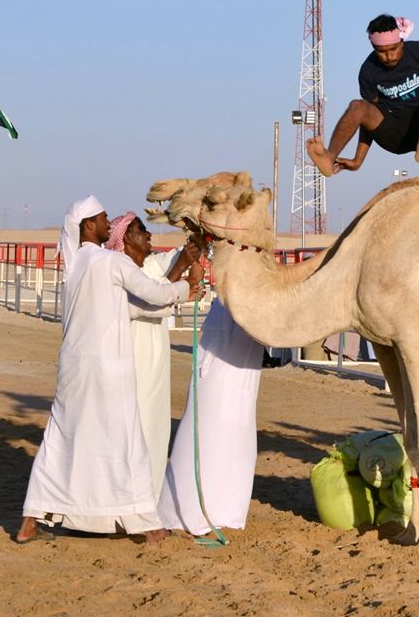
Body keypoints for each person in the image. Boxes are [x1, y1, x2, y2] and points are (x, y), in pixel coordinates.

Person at [17, 197, 200, 544]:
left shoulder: (75, 268)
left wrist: (177, 294)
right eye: (102, 218)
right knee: (128, 442)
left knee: (60, 441)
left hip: (73, 371)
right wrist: (184, 290)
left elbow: (131, 309)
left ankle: (31, 519)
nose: (106, 222)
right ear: (89, 225)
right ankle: (150, 526)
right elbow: (150, 293)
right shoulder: (109, 262)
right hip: (108, 371)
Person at [306, 14, 419, 177]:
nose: (388, 56)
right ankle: (329, 157)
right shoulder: (369, 70)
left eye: (393, 49)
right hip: (392, 135)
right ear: (373, 47)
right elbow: (367, 118)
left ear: (402, 41)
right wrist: (358, 160)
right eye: (381, 51)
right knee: (357, 106)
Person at [106, 212, 203, 497]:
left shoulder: (150, 264)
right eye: (141, 230)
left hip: (156, 357)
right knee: (134, 427)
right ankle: (128, 500)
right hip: (131, 358)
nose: (149, 235)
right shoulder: (117, 270)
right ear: (124, 238)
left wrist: (198, 233)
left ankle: (148, 499)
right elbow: (152, 298)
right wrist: (183, 277)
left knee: (156, 426)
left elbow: (178, 263)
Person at [158, 299, 264, 535]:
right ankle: (196, 509)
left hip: (247, 315)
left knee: (235, 415)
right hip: (236, 313)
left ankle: (223, 508)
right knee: (215, 413)